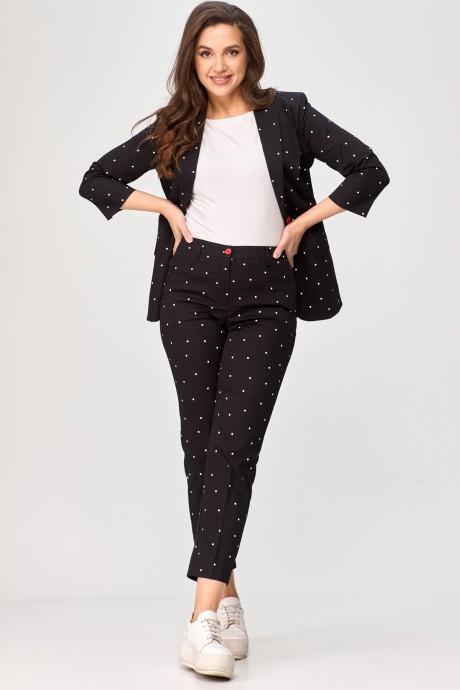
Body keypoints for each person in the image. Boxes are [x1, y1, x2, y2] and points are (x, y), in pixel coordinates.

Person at [78, 1, 390, 680]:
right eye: (205, 53)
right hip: (190, 287)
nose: (218, 65)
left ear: (250, 56)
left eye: (231, 51)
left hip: (266, 291)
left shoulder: (289, 114)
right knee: (201, 446)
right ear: (191, 60)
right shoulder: (175, 126)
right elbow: (94, 180)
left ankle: (198, 623)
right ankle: (227, 601)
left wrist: (303, 221)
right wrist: (163, 205)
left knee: (233, 446)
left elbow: (369, 169)